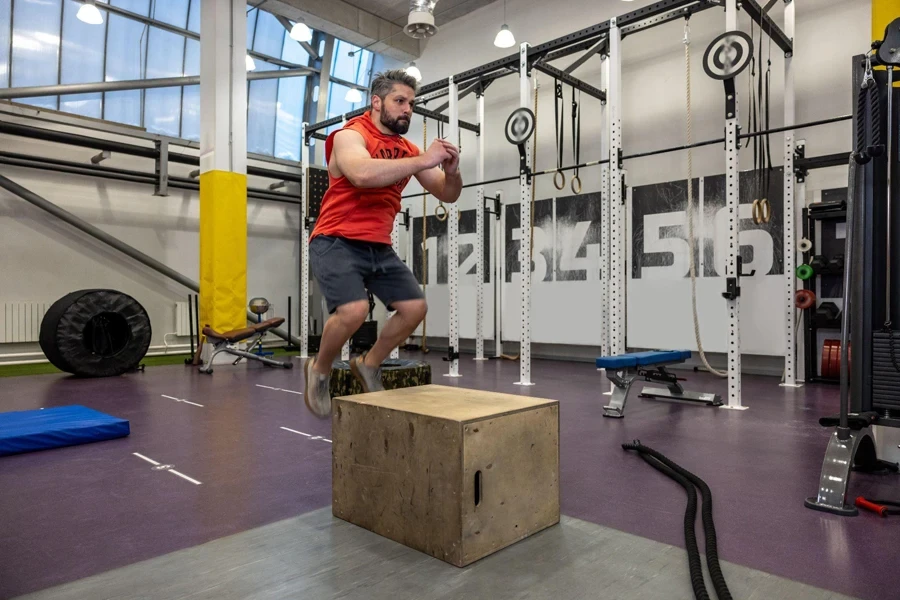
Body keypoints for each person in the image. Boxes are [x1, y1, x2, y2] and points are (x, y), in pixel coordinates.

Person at [303, 69, 462, 417]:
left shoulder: (407, 149)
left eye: (411, 103)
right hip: (335, 239)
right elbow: (360, 174)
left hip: (378, 246)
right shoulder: (351, 135)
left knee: (414, 308)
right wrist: (425, 159)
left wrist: (451, 171)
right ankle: (319, 369)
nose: (407, 109)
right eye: (399, 101)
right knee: (355, 311)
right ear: (377, 102)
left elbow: (447, 194)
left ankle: (369, 364)